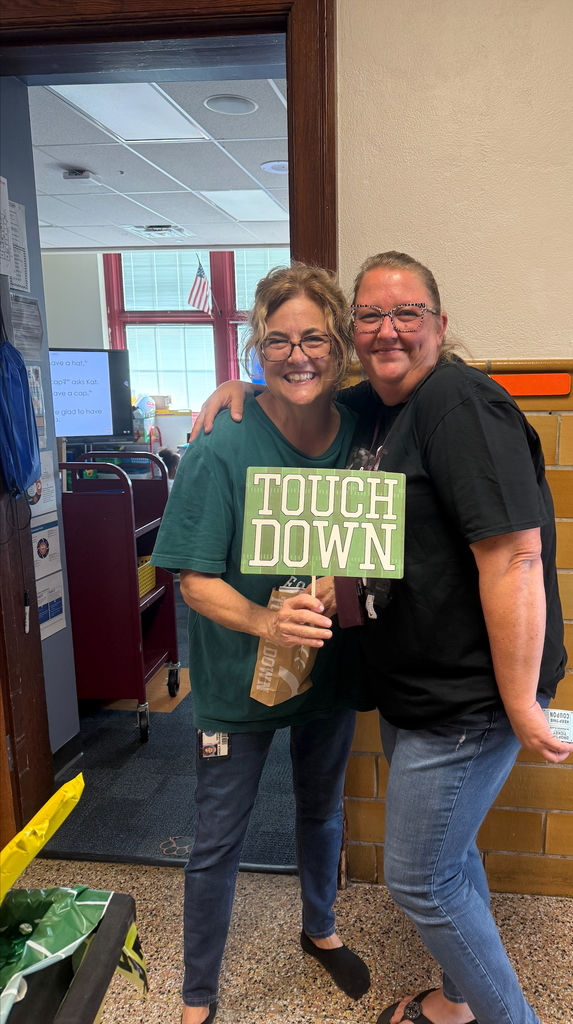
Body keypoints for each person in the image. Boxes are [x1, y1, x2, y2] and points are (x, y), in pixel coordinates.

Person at [193, 251, 573, 1024]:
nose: (387, 330)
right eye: (371, 315)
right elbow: (293, 394)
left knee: (420, 878)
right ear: (353, 334)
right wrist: (238, 388)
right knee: (453, 858)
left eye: (407, 314)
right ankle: (456, 1000)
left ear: (440, 325)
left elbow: (515, 556)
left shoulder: (459, 406)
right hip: (408, 689)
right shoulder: (378, 407)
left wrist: (522, 701)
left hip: (464, 701)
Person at [151, 264, 373, 1024]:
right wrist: (265, 622)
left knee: (322, 808)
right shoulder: (223, 440)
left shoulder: (362, 429)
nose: (297, 354)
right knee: (218, 836)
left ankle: (321, 928)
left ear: (340, 344)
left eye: (314, 337)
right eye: (277, 340)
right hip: (234, 675)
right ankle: (197, 997)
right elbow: (190, 580)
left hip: (325, 672)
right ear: (256, 348)